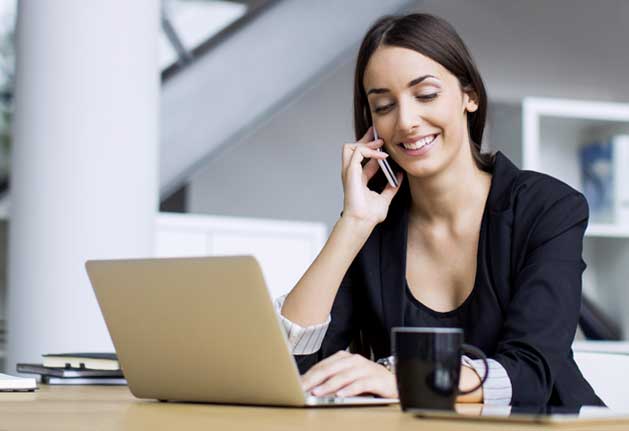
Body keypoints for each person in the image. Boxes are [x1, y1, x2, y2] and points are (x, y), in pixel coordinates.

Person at [275, 13, 604, 407]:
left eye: (426, 95)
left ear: (470, 96)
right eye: (384, 105)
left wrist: (403, 379)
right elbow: (294, 364)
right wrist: (353, 224)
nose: (407, 121)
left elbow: (529, 373)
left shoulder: (548, 208)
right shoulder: (374, 226)